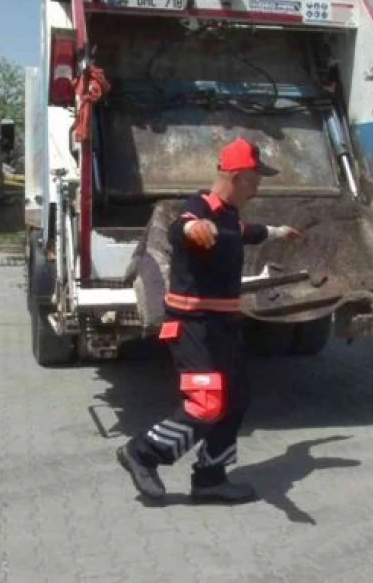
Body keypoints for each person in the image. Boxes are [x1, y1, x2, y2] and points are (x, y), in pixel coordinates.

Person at [117, 137, 302, 503]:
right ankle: (143, 453)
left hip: (222, 327)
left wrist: (279, 232)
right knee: (206, 404)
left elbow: (244, 233)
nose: (259, 187)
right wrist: (192, 231)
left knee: (235, 398)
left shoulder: (230, 215)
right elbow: (182, 228)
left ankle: (210, 479)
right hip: (193, 327)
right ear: (238, 176)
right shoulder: (200, 206)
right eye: (255, 179)